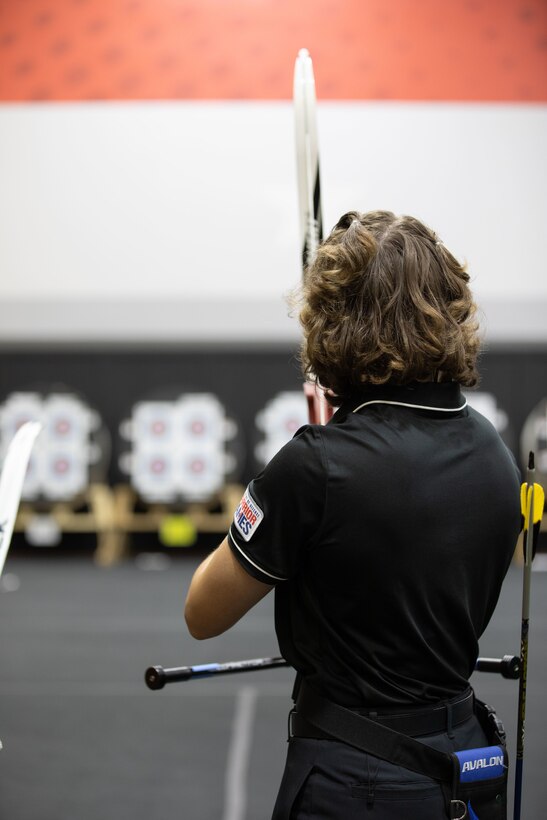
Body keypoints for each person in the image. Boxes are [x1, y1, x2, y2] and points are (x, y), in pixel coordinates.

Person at [184, 210, 522, 819]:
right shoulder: (493, 452)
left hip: (358, 780)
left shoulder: (317, 467)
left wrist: (287, 484)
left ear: (337, 321)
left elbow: (203, 612)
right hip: (465, 766)